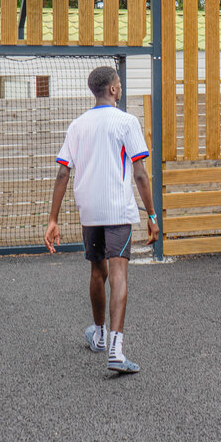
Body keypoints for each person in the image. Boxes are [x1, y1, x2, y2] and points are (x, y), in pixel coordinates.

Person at [45, 65, 159, 374]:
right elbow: (139, 174)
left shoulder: (78, 125)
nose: (120, 88)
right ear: (112, 89)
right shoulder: (126, 122)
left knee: (98, 271)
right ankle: (116, 351)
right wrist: (151, 214)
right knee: (119, 274)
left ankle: (99, 335)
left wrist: (52, 219)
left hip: (89, 210)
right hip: (117, 208)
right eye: (119, 84)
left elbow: (62, 172)